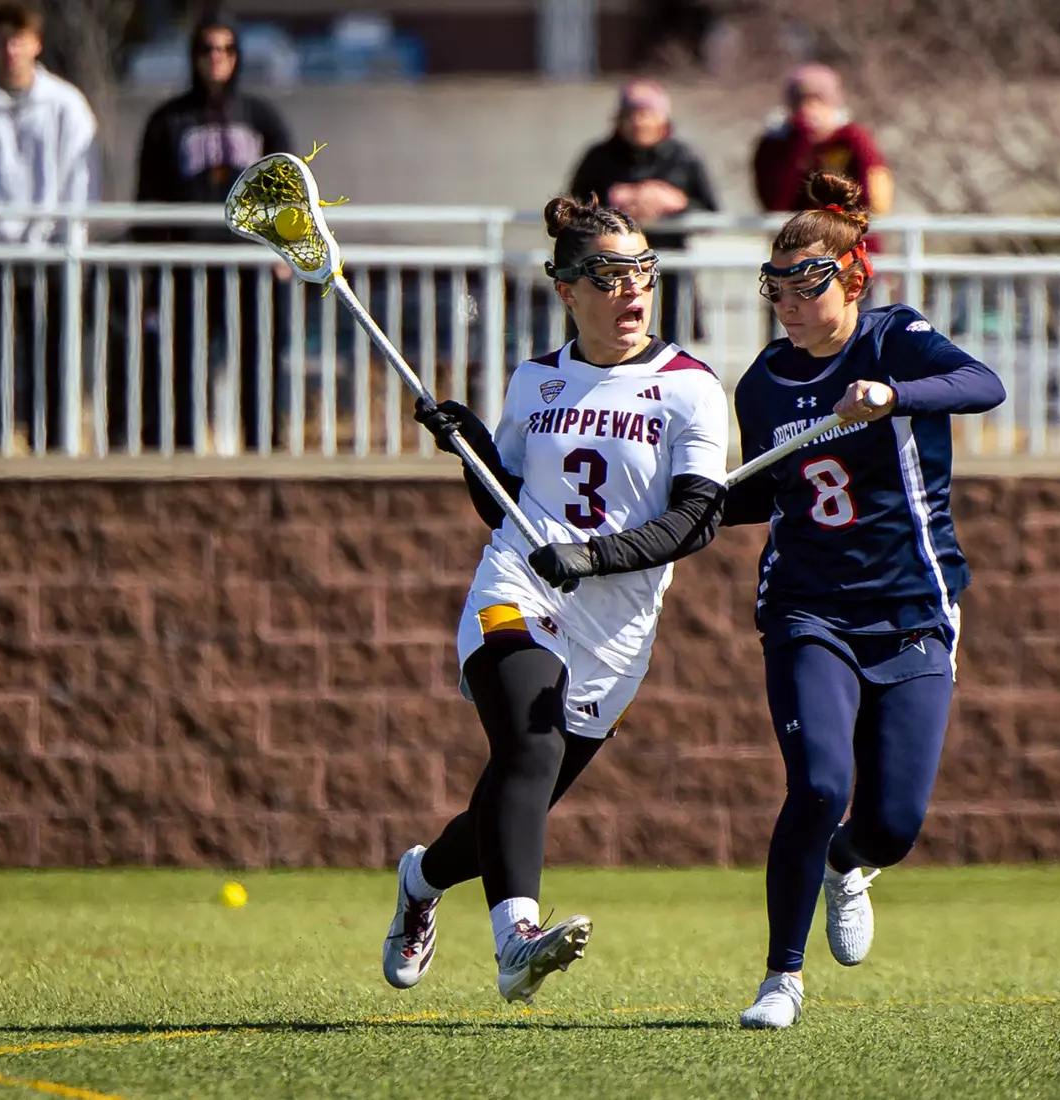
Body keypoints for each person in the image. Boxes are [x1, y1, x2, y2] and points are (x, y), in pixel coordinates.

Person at [381, 196, 728, 1004]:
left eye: (643, 270)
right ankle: (517, 942)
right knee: (530, 747)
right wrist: (466, 442)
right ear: (567, 289)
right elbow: (503, 503)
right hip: (518, 588)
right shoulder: (535, 379)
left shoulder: (690, 387)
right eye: (608, 275)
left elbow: (695, 520)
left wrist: (595, 556)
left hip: (616, 631)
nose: (632, 289)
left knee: (512, 803)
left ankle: (420, 880)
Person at [722, 172, 1005, 1030]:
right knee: (817, 783)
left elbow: (983, 384)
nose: (787, 305)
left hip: (913, 607)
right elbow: (760, 495)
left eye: (805, 286)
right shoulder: (763, 382)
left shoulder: (895, 339)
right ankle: (781, 978)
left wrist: (893, 397)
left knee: (892, 824)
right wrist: (684, 504)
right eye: (776, 288)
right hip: (807, 608)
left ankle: (848, 864)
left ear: (853, 280)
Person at [127, 9, 293, 454]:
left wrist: (286, 251)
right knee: (183, 359)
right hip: (188, 264)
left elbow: (289, 188)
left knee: (260, 359)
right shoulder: (168, 120)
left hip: (251, 265)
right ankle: (182, 448)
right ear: (193, 56)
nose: (216, 57)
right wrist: (153, 263)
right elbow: (147, 199)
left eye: (226, 48)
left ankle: (264, 447)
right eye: (206, 48)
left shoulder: (261, 117)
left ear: (237, 55)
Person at [0, 0, 98, 455]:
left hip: (49, 255)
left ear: (36, 44)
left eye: (19, 40)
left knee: (53, 362)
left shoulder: (66, 105)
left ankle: (53, 453)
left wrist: (71, 246)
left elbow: (82, 182)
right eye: (0, 41)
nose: (10, 50)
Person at [566, 78, 720, 345]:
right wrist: (609, 202)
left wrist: (677, 203)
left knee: (668, 349)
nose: (638, 122)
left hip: (668, 275)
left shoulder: (683, 157)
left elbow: (711, 215)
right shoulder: (599, 157)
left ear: (663, 118)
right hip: (610, 272)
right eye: (630, 115)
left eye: (646, 114)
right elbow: (572, 209)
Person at [752, 64, 892, 216]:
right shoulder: (775, 144)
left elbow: (877, 203)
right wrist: (799, 143)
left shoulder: (853, 139)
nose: (809, 109)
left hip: (847, 229)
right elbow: (775, 205)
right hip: (795, 229)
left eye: (819, 100)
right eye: (800, 101)